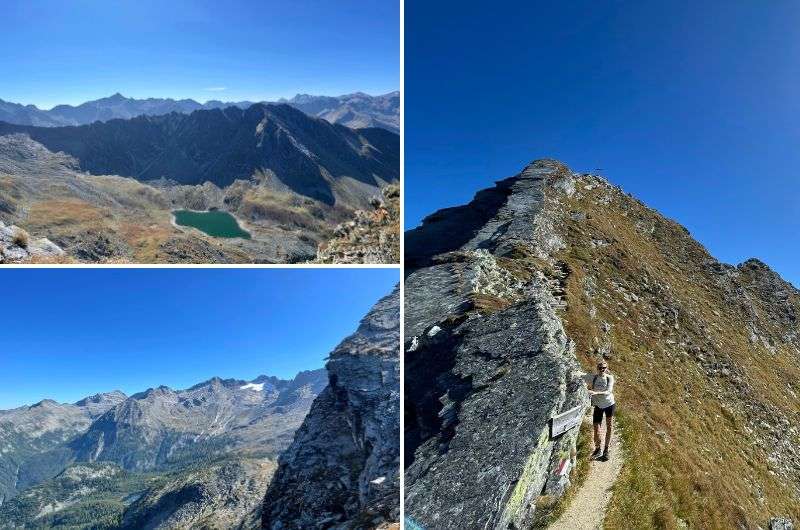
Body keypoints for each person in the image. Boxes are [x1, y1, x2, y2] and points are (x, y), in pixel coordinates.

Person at [587, 360, 615, 461]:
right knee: (596, 427)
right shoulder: (593, 377)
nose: (602, 369)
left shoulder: (609, 378)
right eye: (600, 368)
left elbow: (608, 391)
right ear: (597, 368)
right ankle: (598, 448)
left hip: (609, 404)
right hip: (598, 406)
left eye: (604, 368)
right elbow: (582, 375)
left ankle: (606, 450)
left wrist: (594, 392)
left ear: (606, 368)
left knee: (609, 425)